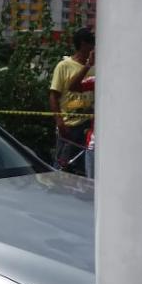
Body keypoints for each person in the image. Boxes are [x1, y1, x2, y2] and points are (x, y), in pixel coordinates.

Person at [49, 27, 95, 175]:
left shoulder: (96, 67)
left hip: (87, 123)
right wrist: (59, 121)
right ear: (83, 44)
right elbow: (53, 95)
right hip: (69, 124)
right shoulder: (64, 66)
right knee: (64, 163)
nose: (93, 47)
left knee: (81, 166)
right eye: (91, 43)